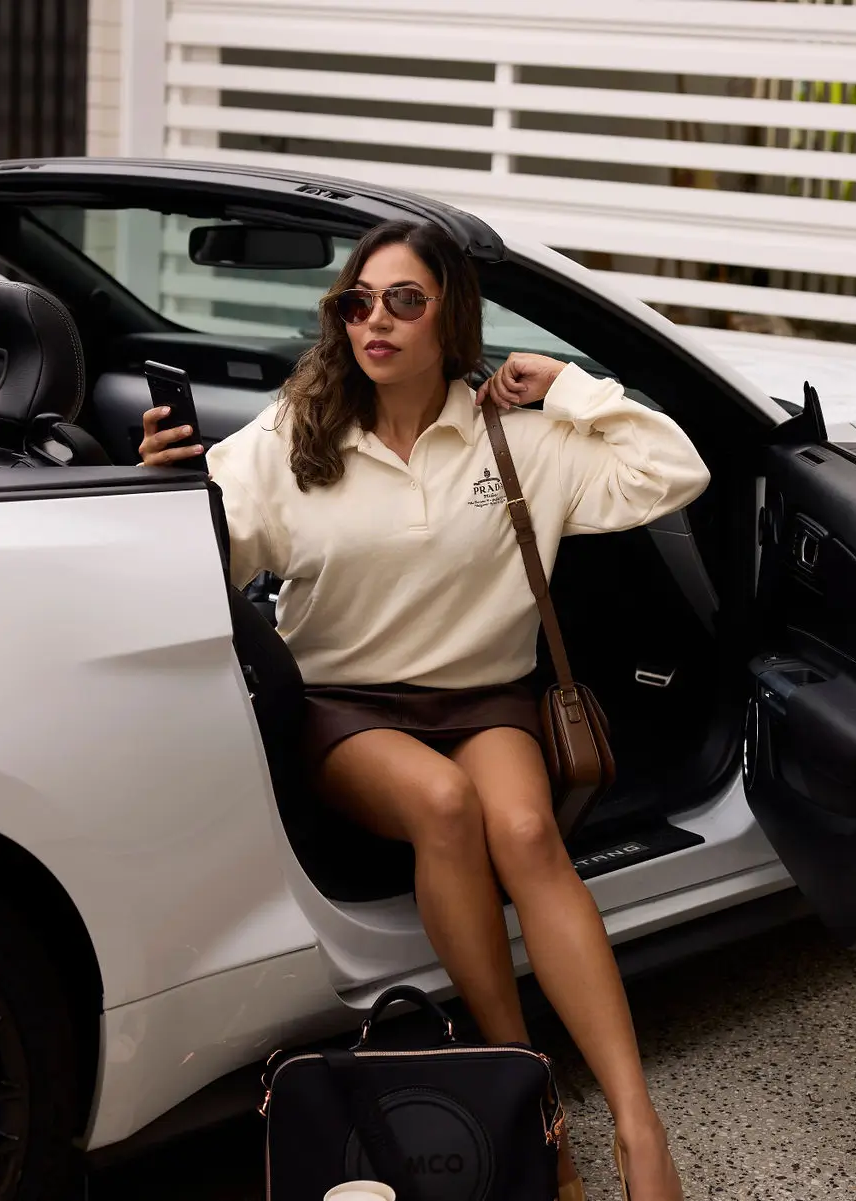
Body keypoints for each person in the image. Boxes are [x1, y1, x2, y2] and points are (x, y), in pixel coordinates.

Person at [140, 218, 710, 1201]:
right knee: (445, 806)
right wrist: (162, 486)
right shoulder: (293, 435)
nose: (376, 320)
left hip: (483, 697)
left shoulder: (518, 438)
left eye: (405, 300)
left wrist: (564, 383)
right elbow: (196, 558)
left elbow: (675, 470)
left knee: (526, 830)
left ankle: (636, 1122)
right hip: (343, 705)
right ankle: (529, 1101)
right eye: (357, 302)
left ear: (452, 319)